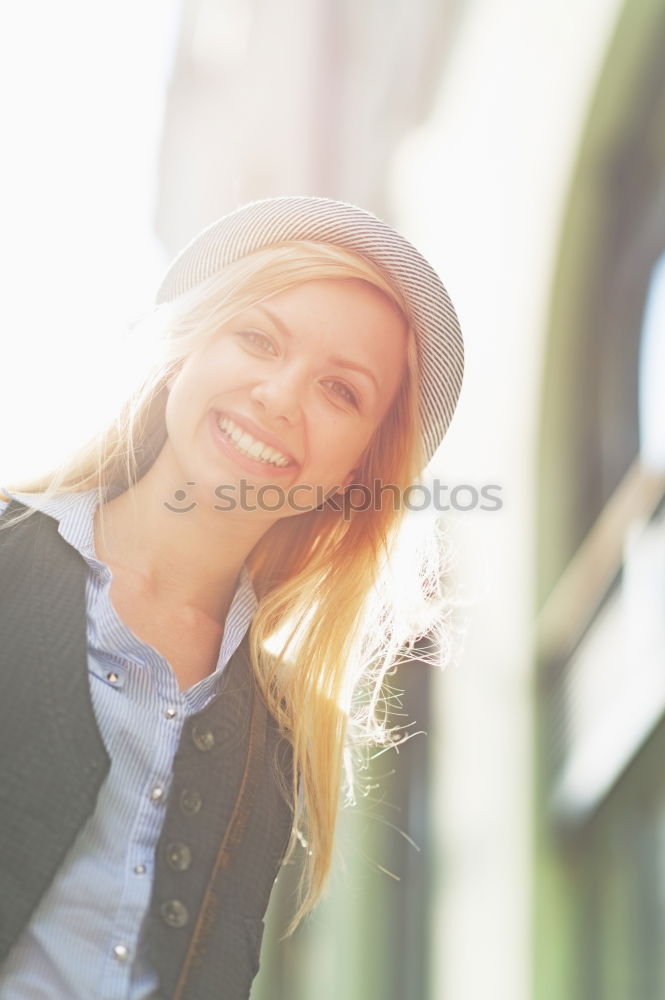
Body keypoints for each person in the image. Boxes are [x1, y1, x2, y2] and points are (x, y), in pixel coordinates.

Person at [0, 195, 464, 999]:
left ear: (359, 466)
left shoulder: (280, 726)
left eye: (340, 391)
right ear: (186, 347)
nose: (280, 398)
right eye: (257, 338)